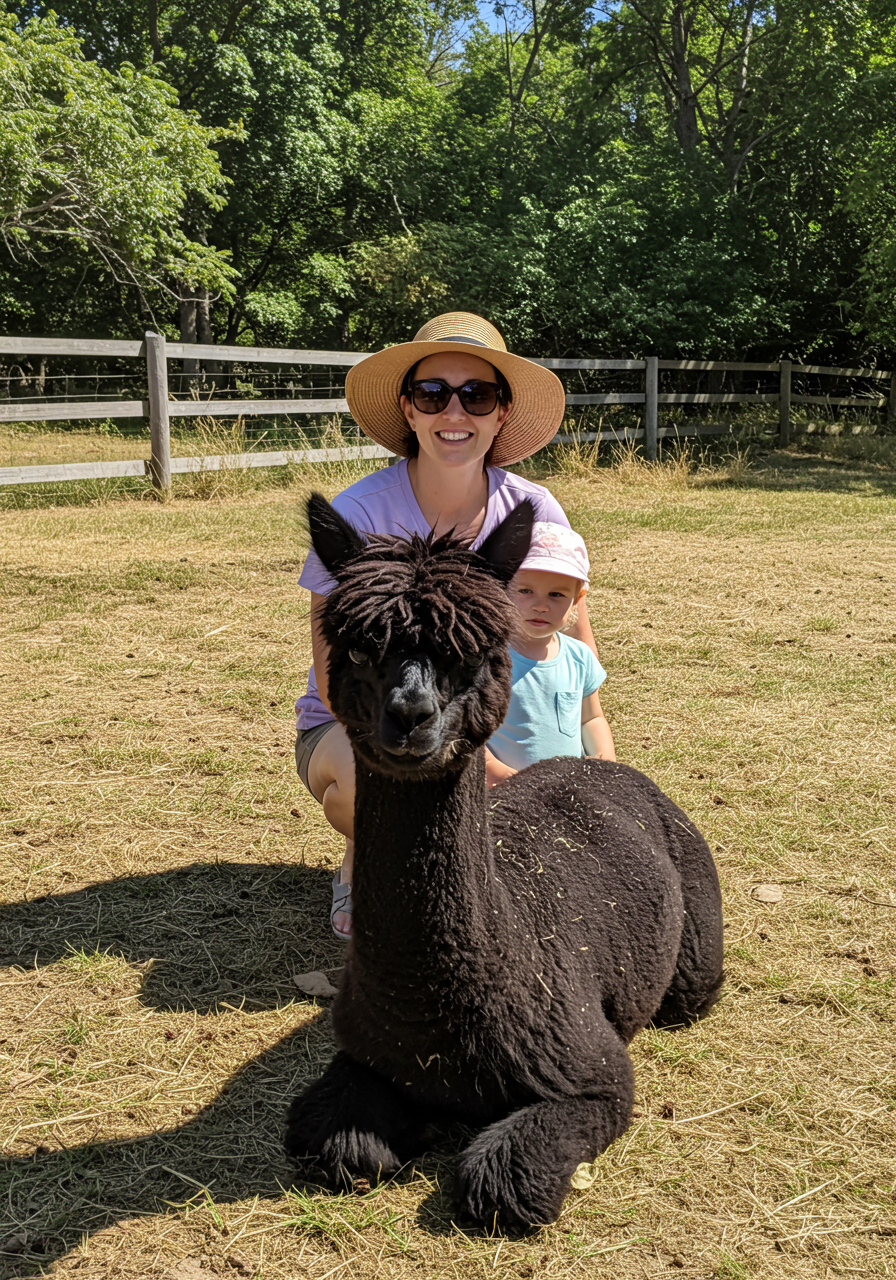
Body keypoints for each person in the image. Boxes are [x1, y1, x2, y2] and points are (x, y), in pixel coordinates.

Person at [295, 312, 603, 940]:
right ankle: (364, 859)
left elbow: (571, 646)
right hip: (360, 716)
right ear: (408, 410)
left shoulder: (533, 509)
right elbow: (335, 676)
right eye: (433, 394)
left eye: (477, 395)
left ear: (501, 412)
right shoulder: (358, 514)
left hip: (480, 711)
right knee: (378, 781)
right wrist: (497, 777)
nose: (454, 412)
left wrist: (595, 770)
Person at [485, 521, 615, 785]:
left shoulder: (579, 658)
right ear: (502, 589)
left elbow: (591, 717)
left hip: (566, 792)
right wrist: (493, 771)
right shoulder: (485, 657)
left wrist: (604, 762)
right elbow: (465, 730)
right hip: (503, 795)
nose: (541, 605)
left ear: (577, 598)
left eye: (556, 594)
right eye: (525, 591)